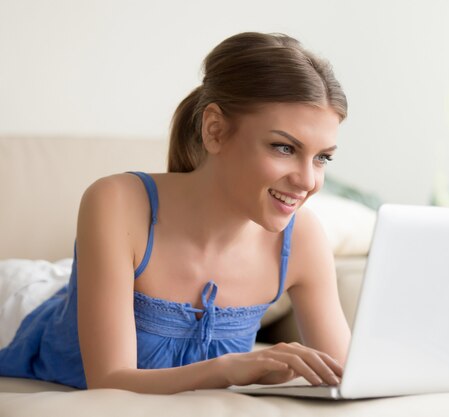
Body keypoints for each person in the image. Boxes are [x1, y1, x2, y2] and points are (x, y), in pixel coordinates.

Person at [0, 32, 351, 394]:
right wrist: (229, 369)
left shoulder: (302, 237)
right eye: (283, 147)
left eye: (323, 157)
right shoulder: (117, 201)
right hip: (20, 301)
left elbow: (346, 376)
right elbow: (109, 381)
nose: (308, 180)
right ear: (214, 130)